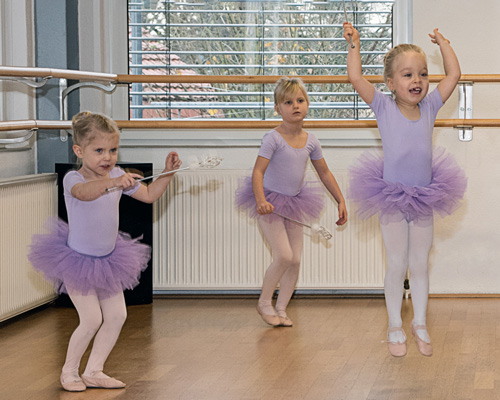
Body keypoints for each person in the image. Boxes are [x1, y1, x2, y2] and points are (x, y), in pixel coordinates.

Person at [29, 111, 182, 391]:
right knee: (91, 319)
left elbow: (148, 195)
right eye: (99, 150)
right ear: (79, 150)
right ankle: (69, 372)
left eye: (112, 150)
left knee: (116, 316)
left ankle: (94, 370)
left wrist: (168, 173)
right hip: (77, 262)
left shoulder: (116, 173)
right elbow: (85, 193)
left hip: (109, 261)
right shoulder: (72, 178)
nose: (107, 157)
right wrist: (115, 182)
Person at [343, 23, 467, 357]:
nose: (417, 81)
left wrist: (443, 44)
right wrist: (354, 45)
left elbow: (453, 74)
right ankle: (395, 324)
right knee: (397, 264)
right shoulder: (383, 107)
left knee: (421, 264)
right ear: (390, 83)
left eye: (423, 74)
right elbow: (356, 79)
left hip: (425, 195)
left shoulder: (430, 107)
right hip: (392, 197)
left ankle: (421, 322)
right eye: (408, 75)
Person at [235, 77, 347, 327]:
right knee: (283, 255)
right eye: (288, 102)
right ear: (278, 108)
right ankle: (264, 302)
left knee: (295, 259)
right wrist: (261, 199)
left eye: (300, 100)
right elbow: (258, 173)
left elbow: (324, 173)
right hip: (270, 203)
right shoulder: (272, 139)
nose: (295, 106)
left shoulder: (311, 140)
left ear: (307, 104)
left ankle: (282, 308)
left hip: (296, 202)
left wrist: (340, 199)